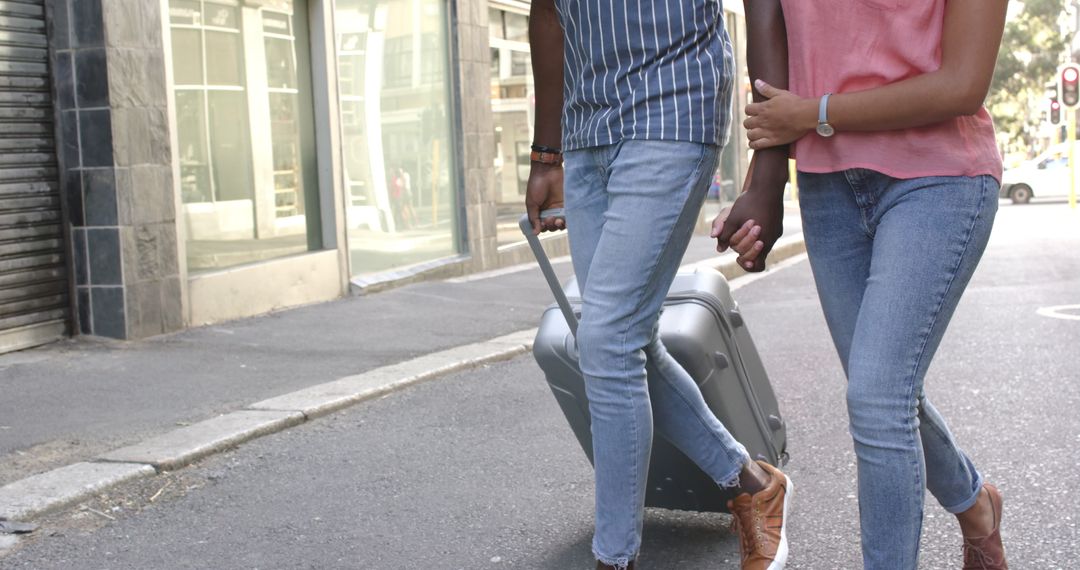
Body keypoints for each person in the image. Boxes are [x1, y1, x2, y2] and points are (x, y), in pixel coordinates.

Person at [724, 1, 1011, 568]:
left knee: (878, 397)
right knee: (885, 392)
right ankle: (975, 503)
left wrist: (815, 113)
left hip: (938, 177)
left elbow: (962, 85)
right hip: (827, 185)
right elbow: (766, 23)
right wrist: (767, 178)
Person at [526, 1, 795, 568]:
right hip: (586, 127)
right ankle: (751, 483)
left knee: (606, 339)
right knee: (627, 339)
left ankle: (614, 558)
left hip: (674, 108)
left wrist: (769, 165)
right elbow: (547, 13)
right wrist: (546, 153)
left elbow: (764, 8)